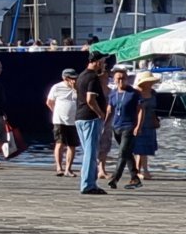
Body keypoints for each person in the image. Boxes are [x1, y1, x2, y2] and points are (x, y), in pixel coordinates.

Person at [104, 68, 144, 189]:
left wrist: (138, 126)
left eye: (123, 78)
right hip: (116, 127)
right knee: (127, 153)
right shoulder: (113, 93)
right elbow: (110, 109)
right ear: (114, 80)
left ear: (127, 79)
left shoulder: (134, 93)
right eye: (118, 78)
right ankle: (135, 178)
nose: (121, 81)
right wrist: (105, 124)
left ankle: (115, 178)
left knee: (122, 153)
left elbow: (141, 109)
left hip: (129, 126)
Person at [75, 55, 109, 195]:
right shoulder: (92, 77)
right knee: (91, 152)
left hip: (80, 117)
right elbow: (90, 98)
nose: (103, 65)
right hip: (90, 118)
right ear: (97, 62)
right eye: (102, 62)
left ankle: (90, 182)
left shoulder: (81, 76)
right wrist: (100, 113)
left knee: (88, 151)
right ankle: (88, 184)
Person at [46, 69, 80, 177]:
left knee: (72, 145)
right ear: (65, 78)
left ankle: (68, 169)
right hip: (59, 120)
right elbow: (49, 102)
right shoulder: (56, 87)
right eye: (72, 78)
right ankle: (59, 167)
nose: (74, 80)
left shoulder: (78, 88)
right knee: (60, 143)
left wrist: (76, 89)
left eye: (75, 78)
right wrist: (55, 111)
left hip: (74, 120)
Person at [132, 76, 160, 182]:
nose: (151, 84)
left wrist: (156, 119)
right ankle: (145, 170)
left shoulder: (153, 93)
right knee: (140, 148)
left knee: (145, 148)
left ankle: (138, 170)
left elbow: (155, 108)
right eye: (149, 81)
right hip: (139, 122)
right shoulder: (136, 93)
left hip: (150, 122)